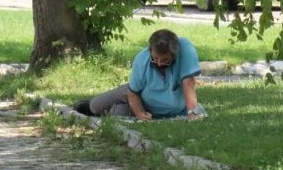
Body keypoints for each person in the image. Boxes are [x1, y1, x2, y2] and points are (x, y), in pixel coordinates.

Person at [75, 29, 207, 120]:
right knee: (96, 105)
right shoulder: (142, 59)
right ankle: (90, 106)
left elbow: (189, 82)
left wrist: (193, 113)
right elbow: (133, 92)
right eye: (155, 59)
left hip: (156, 109)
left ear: (174, 54)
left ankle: (115, 110)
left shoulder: (185, 49)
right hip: (139, 92)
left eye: (165, 60)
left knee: (117, 112)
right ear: (150, 51)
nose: (160, 63)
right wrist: (139, 113)